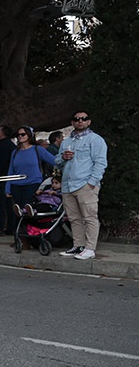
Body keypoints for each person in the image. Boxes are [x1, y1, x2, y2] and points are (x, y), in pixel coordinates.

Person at [56, 111, 107, 260]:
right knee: (74, 218)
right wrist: (63, 157)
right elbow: (57, 162)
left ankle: (90, 248)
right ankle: (78, 246)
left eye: (84, 119)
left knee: (90, 217)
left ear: (89, 122)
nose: (80, 121)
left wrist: (92, 183)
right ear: (72, 122)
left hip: (85, 185)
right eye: (76, 119)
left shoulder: (95, 139)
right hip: (67, 185)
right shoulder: (66, 142)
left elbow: (101, 163)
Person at [5, 126, 56, 217]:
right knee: (19, 211)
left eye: (23, 134)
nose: (20, 136)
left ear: (29, 135)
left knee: (28, 209)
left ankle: (30, 226)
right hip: (16, 185)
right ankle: (21, 226)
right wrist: (7, 188)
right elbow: (11, 170)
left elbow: (54, 161)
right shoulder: (15, 152)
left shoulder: (37, 149)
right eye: (18, 135)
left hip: (33, 183)